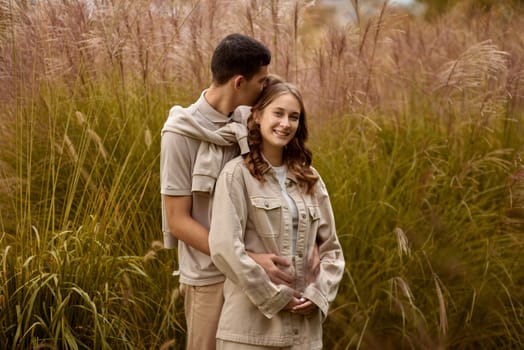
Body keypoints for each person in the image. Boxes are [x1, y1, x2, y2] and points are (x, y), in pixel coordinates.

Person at [160, 34, 296, 350]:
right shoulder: (180, 134)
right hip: (209, 277)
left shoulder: (251, 121)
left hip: (254, 273)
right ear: (238, 82)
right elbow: (177, 221)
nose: (266, 87)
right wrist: (246, 258)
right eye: (261, 81)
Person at [208, 77, 345, 349]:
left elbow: (331, 250)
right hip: (249, 332)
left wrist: (318, 295)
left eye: (294, 117)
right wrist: (274, 296)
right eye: (278, 113)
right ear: (257, 115)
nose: (285, 124)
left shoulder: (310, 179)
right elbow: (224, 247)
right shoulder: (237, 175)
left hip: (304, 334)